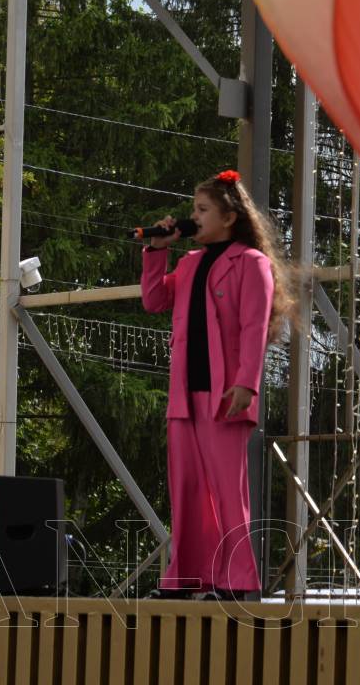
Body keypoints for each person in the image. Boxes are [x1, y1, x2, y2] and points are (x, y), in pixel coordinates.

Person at [140, 169, 293, 601]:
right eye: (194, 208)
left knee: (228, 491)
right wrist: (156, 251)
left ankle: (236, 580)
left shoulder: (251, 262)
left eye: (203, 209)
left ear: (229, 217)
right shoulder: (189, 263)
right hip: (185, 395)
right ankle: (185, 578)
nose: (194, 216)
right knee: (186, 490)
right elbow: (154, 300)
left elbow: (254, 326)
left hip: (225, 394)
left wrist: (247, 383)